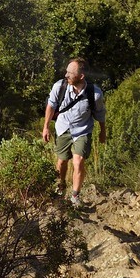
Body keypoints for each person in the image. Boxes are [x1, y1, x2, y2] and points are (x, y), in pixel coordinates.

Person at [41, 58, 107, 207]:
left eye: (70, 73)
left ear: (81, 76)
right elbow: (51, 106)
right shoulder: (60, 86)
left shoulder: (94, 94)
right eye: (66, 71)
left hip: (82, 130)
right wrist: (46, 126)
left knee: (78, 161)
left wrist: (103, 132)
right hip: (63, 127)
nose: (66, 75)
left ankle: (75, 196)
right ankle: (61, 186)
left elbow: (100, 113)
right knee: (62, 161)